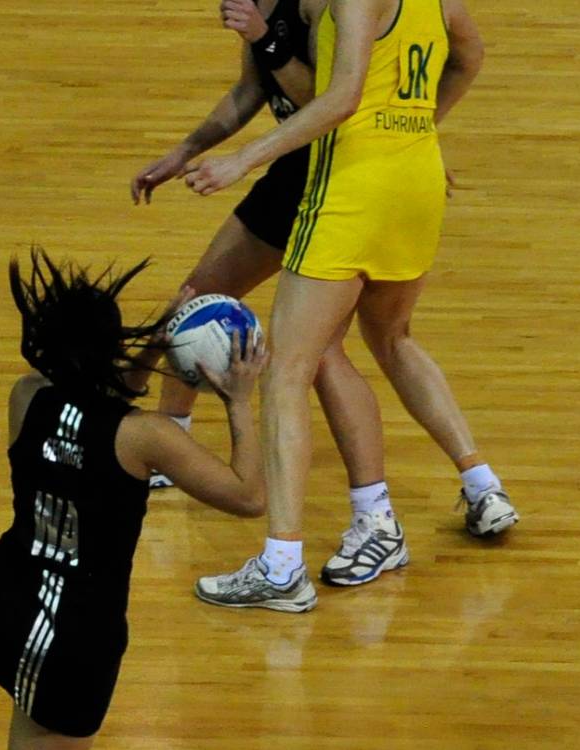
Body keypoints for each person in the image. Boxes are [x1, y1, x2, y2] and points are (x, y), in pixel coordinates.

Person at [0, 250, 269, 750]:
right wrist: (240, 403)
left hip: (0, 593)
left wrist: (153, 349)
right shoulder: (145, 437)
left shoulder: (26, 397)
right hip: (73, 633)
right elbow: (248, 497)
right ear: (109, 345)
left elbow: (94, 404)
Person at [181, 0, 518, 613]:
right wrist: (422, 125)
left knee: (286, 370)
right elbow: (469, 56)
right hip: (414, 182)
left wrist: (242, 159)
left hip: (352, 190)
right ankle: (388, 520)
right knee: (376, 341)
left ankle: (282, 564)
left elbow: (341, 99)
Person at [129, 0, 402, 591]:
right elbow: (250, 91)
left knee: (322, 354)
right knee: (197, 297)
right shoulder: (253, 3)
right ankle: (169, 439)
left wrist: (267, 39)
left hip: (334, 176)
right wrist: (184, 151)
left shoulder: (317, 9)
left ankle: (375, 518)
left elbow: (328, 101)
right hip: (290, 175)